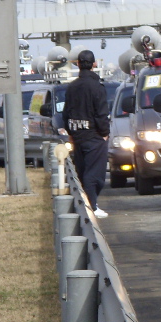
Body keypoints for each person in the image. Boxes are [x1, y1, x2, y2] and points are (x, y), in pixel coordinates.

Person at [63, 50, 110, 217]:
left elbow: (66, 113)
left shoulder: (71, 87)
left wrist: (71, 132)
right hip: (94, 136)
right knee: (94, 174)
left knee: (82, 172)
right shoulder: (97, 87)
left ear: (77, 64)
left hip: (77, 135)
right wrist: (104, 133)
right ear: (94, 64)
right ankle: (92, 206)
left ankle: (86, 205)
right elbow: (101, 114)